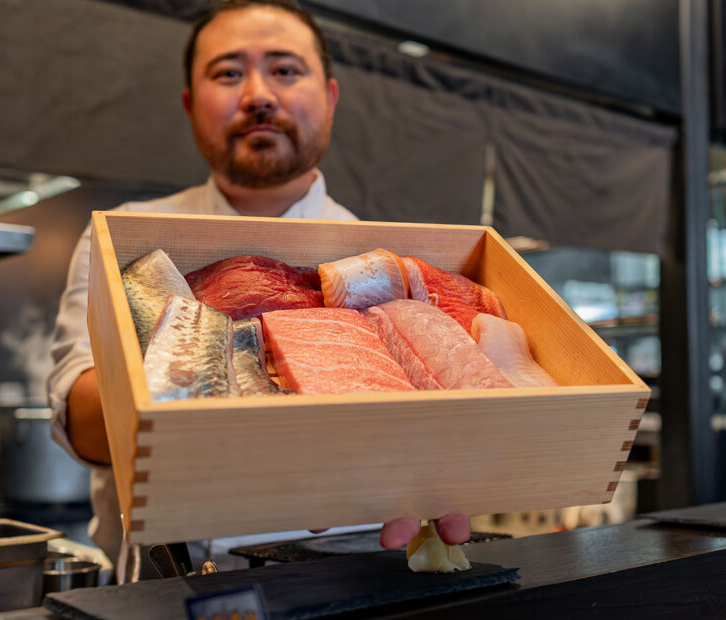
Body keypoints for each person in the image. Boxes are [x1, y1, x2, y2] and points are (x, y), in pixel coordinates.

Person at [47, 0, 469, 575]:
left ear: (331, 96)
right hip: (174, 581)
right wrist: (275, 452)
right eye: (227, 73)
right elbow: (84, 425)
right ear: (191, 105)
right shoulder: (126, 238)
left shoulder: (388, 260)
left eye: (286, 70)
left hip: (363, 570)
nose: (258, 94)